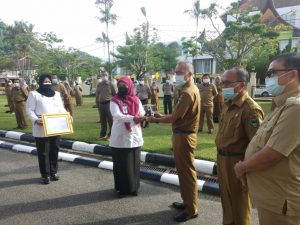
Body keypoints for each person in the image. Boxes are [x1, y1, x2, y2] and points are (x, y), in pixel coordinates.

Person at [234, 53, 300, 225]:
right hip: (273, 198)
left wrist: (242, 168)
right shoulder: (283, 105)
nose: (267, 77)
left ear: (292, 74)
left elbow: (272, 154)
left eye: (272, 73)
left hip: (281, 201)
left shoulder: (296, 107)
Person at [147, 61, 200, 222]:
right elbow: (176, 115)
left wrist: (153, 119)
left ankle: (191, 209)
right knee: (183, 172)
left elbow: (174, 118)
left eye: (179, 72)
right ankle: (187, 202)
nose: (175, 75)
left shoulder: (187, 93)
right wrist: (160, 115)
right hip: (182, 134)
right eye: (175, 71)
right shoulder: (187, 89)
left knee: (186, 174)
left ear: (189, 74)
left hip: (184, 136)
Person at [215, 67, 264, 225]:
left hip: (238, 163)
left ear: (241, 85)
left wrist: (246, 171)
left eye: (227, 83)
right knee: (227, 205)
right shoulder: (227, 104)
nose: (222, 86)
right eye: (222, 82)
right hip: (222, 160)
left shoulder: (251, 110)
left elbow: (257, 145)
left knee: (240, 207)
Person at [26, 74, 69, 184]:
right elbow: (29, 110)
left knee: (54, 150)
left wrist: (67, 117)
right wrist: (35, 120)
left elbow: (61, 108)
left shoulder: (57, 94)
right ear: (40, 82)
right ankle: (45, 174)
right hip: (41, 125)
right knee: (43, 152)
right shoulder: (34, 94)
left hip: (56, 125)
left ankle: (53, 172)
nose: (48, 83)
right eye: (45, 81)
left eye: (49, 81)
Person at [109, 76, 145, 198]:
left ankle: (133, 188)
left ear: (129, 86)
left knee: (134, 163)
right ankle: (122, 189)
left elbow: (142, 112)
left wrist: (138, 116)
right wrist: (133, 118)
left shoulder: (136, 99)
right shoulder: (114, 100)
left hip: (134, 133)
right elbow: (117, 115)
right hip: (120, 135)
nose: (121, 88)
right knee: (120, 163)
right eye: (119, 86)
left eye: (124, 85)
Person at [95, 71, 116, 140]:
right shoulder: (99, 84)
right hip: (101, 103)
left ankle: (111, 135)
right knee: (102, 120)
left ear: (108, 75)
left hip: (109, 103)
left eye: (105, 75)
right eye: (103, 75)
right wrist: (97, 102)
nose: (104, 76)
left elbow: (114, 94)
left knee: (110, 120)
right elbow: (97, 94)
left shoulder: (111, 84)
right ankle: (102, 135)